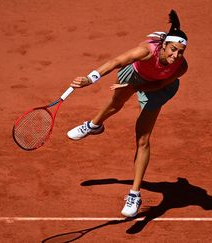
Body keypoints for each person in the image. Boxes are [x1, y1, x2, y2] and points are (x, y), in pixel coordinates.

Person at [67, 10, 188, 217]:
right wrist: (90, 79)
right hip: (137, 72)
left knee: (143, 139)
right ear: (165, 45)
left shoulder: (180, 67)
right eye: (173, 50)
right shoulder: (146, 51)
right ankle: (94, 125)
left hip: (155, 88)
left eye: (180, 52)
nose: (175, 56)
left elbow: (158, 84)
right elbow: (115, 61)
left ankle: (134, 194)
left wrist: (134, 87)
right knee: (116, 102)